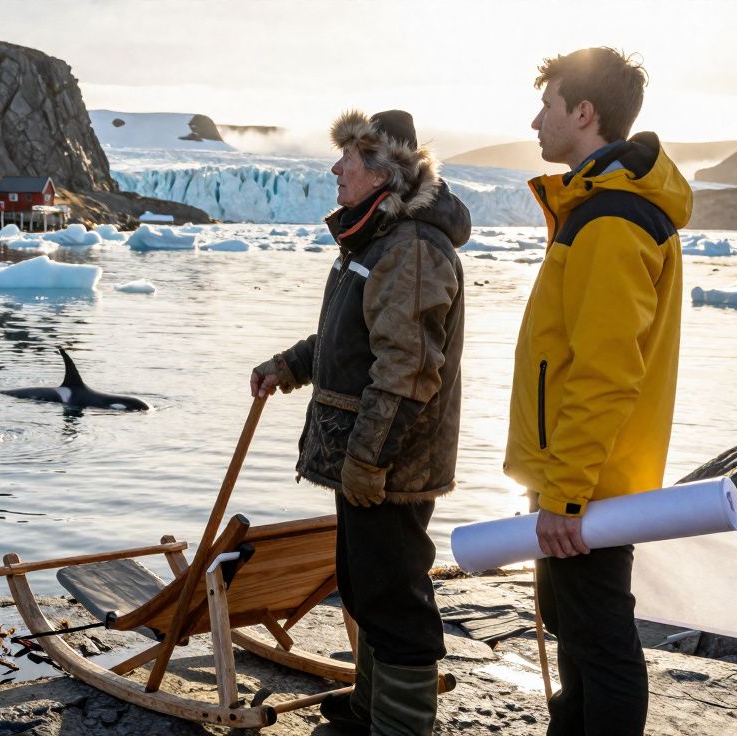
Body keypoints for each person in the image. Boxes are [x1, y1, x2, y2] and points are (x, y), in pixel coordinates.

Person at [250, 109, 470, 735]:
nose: (334, 169)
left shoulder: (413, 250)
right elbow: (352, 338)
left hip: (392, 461)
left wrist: (369, 460)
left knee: (395, 596)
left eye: (346, 160)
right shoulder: (377, 240)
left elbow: (406, 370)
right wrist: (290, 365)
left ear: (381, 173)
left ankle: (398, 726)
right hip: (366, 455)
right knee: (366, 583)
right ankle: (371, 707)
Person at [504, 48, 692, 735]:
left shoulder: (610, 220)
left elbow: (606, 371)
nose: (535, 121)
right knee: (578, 629)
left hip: (589, 482)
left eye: (547, 106)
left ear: (584, 113)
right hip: (585, 476)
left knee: (601, 640)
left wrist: (566, 493)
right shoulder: (597, 208)